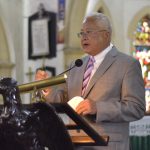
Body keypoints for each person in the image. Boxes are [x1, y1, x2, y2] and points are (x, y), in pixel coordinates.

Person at [35, 12, 145, 150]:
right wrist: (48, 89)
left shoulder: (127, 64)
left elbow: (136, 108)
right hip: (75, 142)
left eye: (89, 32)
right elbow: (64, 100)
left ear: (106, 35)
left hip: (107, 144)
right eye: (81, 33)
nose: (83, 37)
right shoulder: (77, 64)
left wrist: (98, 108)